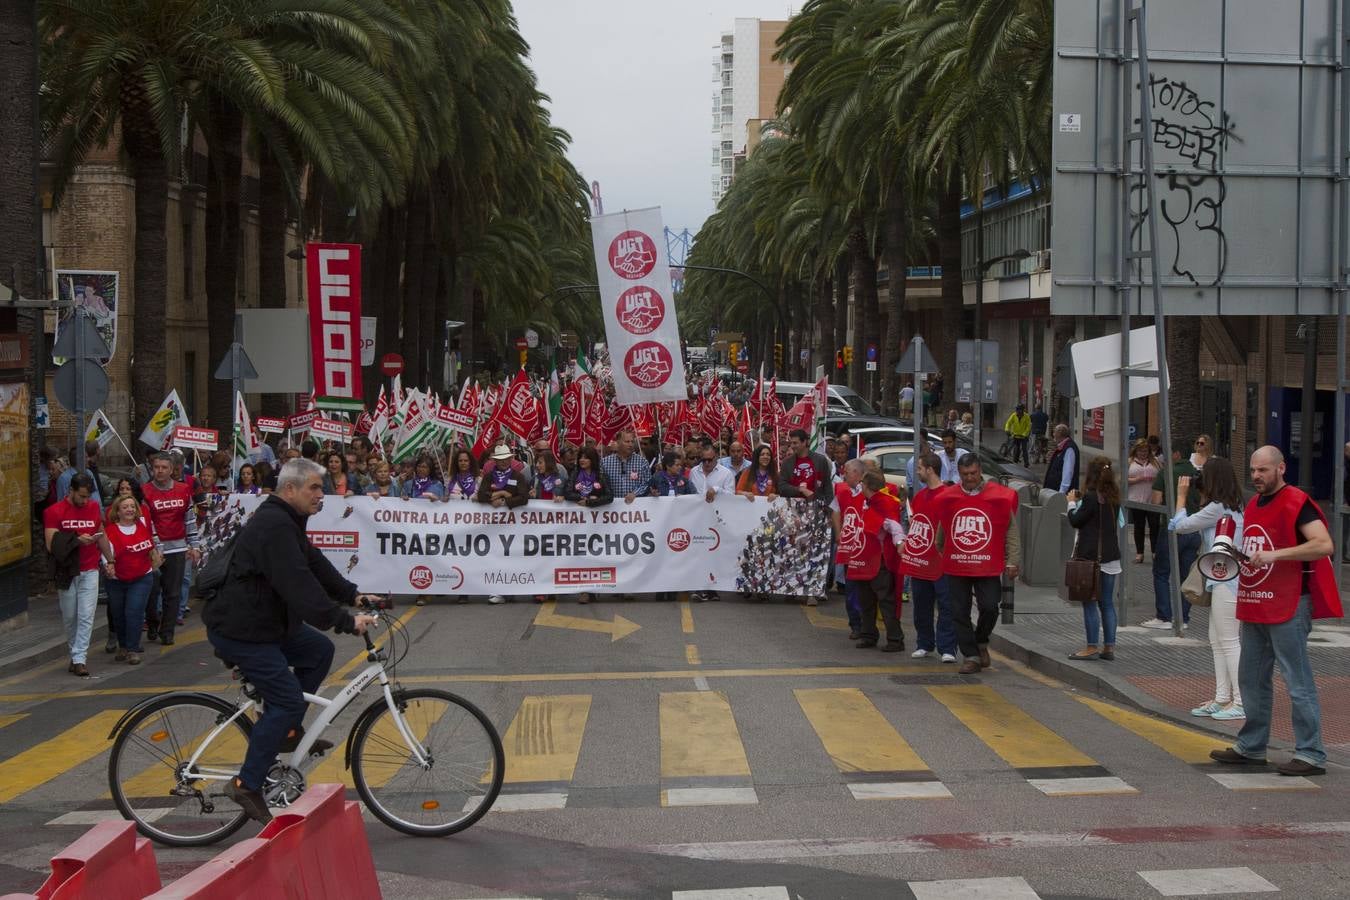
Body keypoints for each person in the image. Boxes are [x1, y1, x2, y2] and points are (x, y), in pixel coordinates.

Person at [203, 459, 378, 822]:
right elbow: (298, 585)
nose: (321, 495)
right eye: (314, 488)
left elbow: (313, 562)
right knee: (284, 698)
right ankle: (246, 784)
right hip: (243, 630)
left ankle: (288, 731)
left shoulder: (289, 521)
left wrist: (354, 594)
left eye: (322, 487)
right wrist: (344, 620)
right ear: (290, 490)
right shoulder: (274, 525)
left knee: (318, 651)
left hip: (267, 623)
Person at [1210, 446, 1340, 777]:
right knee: (1250, 677)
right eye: (1253, 470)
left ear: (1281, 468)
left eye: (1263, 470)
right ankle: (1252, 747)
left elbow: (1324, 545)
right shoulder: (1253, 504)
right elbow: (1258, 547)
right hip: (1257, 600)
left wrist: (1274, 555)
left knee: (1297, 680)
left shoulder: (1297, 502)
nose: (1256, 476)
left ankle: (1311, 753)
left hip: (1290, 602)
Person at [1170, 456, 1246, 721]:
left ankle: (1239, 701)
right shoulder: (1233, 507)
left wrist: (1180, 497)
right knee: (1218, 640)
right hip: (1224, 578)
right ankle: (1223, 697)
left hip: (1227, 580)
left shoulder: (1218, 508)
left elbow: (1178, 526)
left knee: (1228, 641)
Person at [938, 453, 1020, 674]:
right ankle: (971, 655)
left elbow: (1010, 529)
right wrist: (942, 551)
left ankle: (981, 640)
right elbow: (944, 527)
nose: (970, 478)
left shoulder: (998, 497)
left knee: (990, 606)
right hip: (958, 563)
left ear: (980, 470)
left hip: (987, 563)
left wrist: (1013, 560)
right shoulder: (950, 497)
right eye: (965, 474)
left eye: (973, 473)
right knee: (959, 611)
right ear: (960, 474)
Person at [43, 473, 109, 677]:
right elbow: (51, 543)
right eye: (81, 496)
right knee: (70, 615)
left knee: (86, 615)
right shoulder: (54, 511)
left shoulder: (92, 508)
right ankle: (75, 654)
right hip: (67, 571)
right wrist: (77, 541)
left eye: (88, 496)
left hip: (90, 568)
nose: (85, 501)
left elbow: (101, 533)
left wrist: (110, 559)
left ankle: (80, 658)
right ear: (70, 491)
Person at [834, 462, 905, 650]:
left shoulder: (884, 503)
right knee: (865, 599)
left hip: (879, 560)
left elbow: (894, 527)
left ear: (868, 486)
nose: (860, 487)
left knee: (885, 601)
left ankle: (895, 639)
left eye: (863, 485)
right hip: (863, 558)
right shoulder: (867, 501)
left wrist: (899, 543)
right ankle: (868, 634)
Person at [900, 450, 957, 663]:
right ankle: (924, 643)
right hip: (921, 561)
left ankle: (948, 647)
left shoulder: (947, 496)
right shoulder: (921, 496)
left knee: (945, 605)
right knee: (921, 605)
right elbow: (917, 525)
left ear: (930, 470)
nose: (917, 472)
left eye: (920, 468)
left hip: (941, 562)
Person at [1066, 457, 1122, 661]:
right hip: (1111, 558)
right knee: (1106, 603)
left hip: (1091, 559)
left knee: (1089, 602)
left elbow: (1075, 520)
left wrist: (1071, 503)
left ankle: (1091, 647)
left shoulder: (1090, 497)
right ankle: (1109, 647)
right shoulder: (1114, 497)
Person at [142, 452, 201, 646]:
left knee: (173, 592)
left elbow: (190, 520)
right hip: (153, 550)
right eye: (156, 467)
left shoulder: (184, 490)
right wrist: (155, 546)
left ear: (172, 469)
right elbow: (146, 522)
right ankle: (152, 623)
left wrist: (194, 545)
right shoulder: (145, 491)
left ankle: (167, 632)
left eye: (164, 467)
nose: (159, 471)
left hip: (177, 548)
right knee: (151, 591)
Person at [1142, 437, 1201, 630]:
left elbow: (1156, 502)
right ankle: (1183, 618)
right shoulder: (1196, 473)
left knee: (1161, 572)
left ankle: (1164, 617)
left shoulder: (1166, 474)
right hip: (1194, 529)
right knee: (1185, 574)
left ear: (1176, 454)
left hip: (1172, 529)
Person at [103, 495, 160, 666]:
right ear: (118, 511)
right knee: (118, 614)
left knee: (133, 612)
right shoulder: (110, 531)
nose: (129, 510)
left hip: (142, 577)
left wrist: (157, 559)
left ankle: (133, 649)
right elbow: (106, 552)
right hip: (116, 579)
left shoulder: (142, 527)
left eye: (132, 507)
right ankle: (123, 645)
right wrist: (108, 566)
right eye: (125, 507)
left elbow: (151, 547)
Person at [690, 446, 736, 601]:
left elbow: (731, 495)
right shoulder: (693, 472)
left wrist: (717, 489)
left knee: (715, 554)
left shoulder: (726, 473)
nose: (707, 463)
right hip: (697, 519)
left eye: (710, 460)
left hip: (716, 521)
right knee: (698, 553)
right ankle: (699, 587)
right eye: (704, 460)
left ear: (717, 458)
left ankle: (713, 588)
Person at [1126, 440, 1161, 563]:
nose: (1143, 453)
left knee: (1154, 526)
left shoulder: (1155, 461)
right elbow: (1124, 480)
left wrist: (1156, 479)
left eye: (1145, 451)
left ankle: (1155, 552)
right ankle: (1139, 553)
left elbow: (1162, 477)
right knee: (1139, 526)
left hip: (1153, 499)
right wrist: (1138, 479)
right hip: (1136, 499)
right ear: (1136, 450)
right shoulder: (1129, 461)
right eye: (1140, 451)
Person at [601, 430, 650, 505]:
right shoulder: (605, 463)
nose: (630, 444)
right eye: (627, 442)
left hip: (635, 509)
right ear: (618, 442)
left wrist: (635, 494)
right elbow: (601, 485)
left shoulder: (642, 462)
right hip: (612, 509)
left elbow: (646, 483)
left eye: (632, 441)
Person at [55, 440, 103, 505]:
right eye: (86, 457)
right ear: (79, 460)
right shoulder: (64, 478)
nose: (89, 459)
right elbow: (61, 502)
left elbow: (96, 495)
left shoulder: (89, 473)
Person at [1043, 424, 1080, 494]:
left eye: (1055, 432)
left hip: (1060, 493)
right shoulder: (1062, 447)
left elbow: (1068, 472)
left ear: (1060, 434)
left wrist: (1061, 492)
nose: (1053, 434)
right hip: (1054, 490)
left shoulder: (1069, 448)